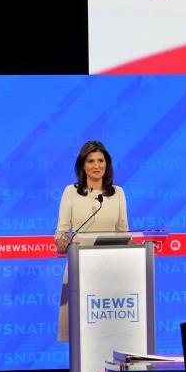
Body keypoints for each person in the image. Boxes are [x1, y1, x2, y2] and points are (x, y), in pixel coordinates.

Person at [55, 140, 129, 341]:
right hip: (80, 267)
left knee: (109, 333)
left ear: (107, 164)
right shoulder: (71, 192)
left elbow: (123, 232)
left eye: (101, 160)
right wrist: (62, 242)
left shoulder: (118, 193)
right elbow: (61, 232)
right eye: (91, 161)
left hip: (111, 269)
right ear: (82, 165)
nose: (97, 166)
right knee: (81, 333)